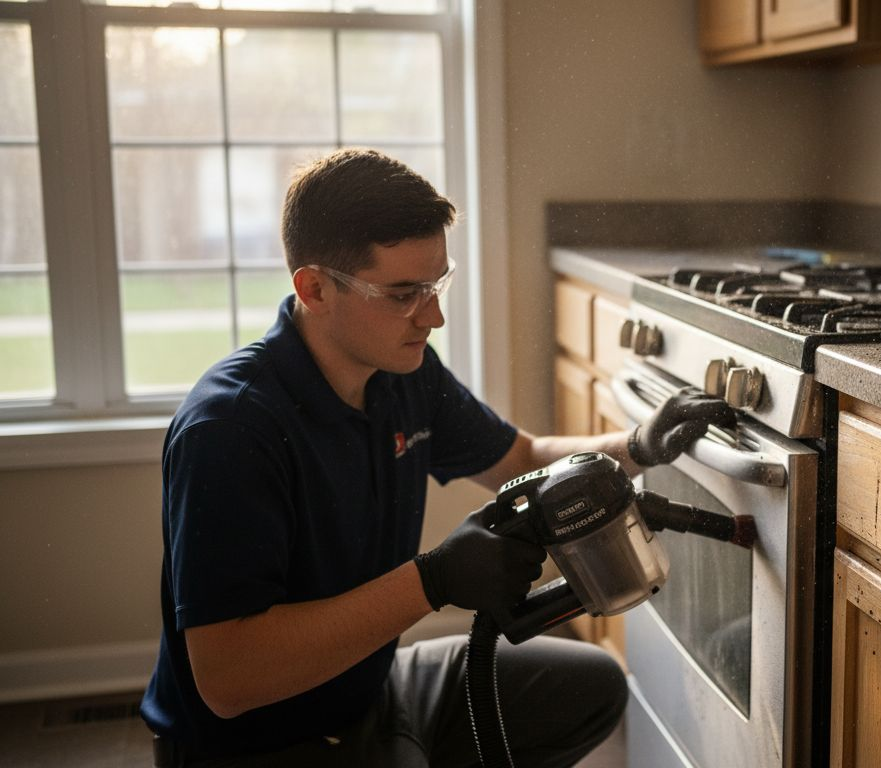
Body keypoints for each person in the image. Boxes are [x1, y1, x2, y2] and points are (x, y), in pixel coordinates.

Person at [139, 148, 735, 767]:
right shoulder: (231, 428)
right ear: (314, 288)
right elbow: (229, 680)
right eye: (403, 293)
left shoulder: (401, 372)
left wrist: (636, 447)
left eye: (437, 284)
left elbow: (521, 457)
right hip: (259, 746)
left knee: (587, 687)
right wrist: (434, 579)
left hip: (370, 691)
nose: (434, 315)